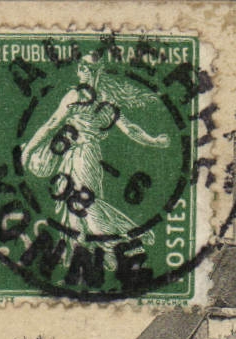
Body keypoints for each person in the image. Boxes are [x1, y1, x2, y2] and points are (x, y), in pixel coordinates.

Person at [22, 54, 169, 245]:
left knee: (86, 205)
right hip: (78, 155)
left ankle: (132, 234)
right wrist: (154, 141)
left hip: (83, 156)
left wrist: (27, 152)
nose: (83, 70)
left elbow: (51, 124)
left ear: (98, 71)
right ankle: (93, 255)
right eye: (81, 66)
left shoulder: (83, 97)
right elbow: (130, 129)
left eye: (88, 67)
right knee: (77, 212)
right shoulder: (98, 100)